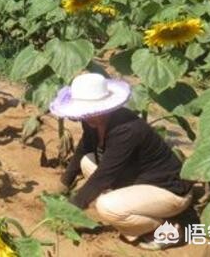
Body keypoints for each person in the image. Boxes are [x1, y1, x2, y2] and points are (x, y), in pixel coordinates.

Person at [49, 73, 193, 251]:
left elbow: (103, 176)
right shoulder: (91, 121)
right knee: (87, 161)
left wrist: (70, 210)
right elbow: (84, 148)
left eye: (95, 110)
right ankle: (131, 208)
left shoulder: (126, 130)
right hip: (138, 180)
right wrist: (64, 183)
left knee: (107, 206)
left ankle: (168, 229)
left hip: (169, 190)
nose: (90, 115)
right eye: (86, 110)